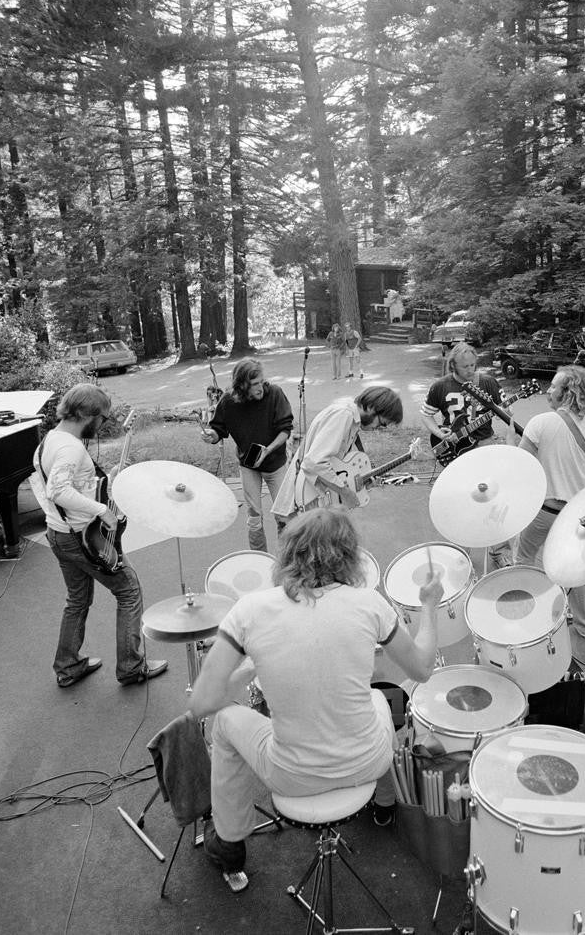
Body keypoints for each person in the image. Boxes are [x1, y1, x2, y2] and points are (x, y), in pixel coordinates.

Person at [186, 509, 444, 881]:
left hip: (291, 776)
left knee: (224, 722)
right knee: (378, 699)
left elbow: (201, 705)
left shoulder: (249, 611)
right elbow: (422, 669)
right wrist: (430, 605)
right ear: (350, 556)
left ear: (287, 554)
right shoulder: (369, 603)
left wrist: (251, 669)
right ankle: (385, 804)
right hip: (365, 763)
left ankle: (229, 846)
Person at [30, 383, 167, 688]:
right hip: (82, 539)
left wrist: (109, 479)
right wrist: (101, 510)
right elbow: (58, 490)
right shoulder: (71, 448)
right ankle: (131, 668)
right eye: (102, 418)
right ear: (86, 413)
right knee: (129, 590)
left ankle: (68, 667)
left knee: (77, 600)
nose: (103, 425)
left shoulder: (51, 439)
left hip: (58, 534)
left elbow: (69, 485)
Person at [510, 365, 585, 646]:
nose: (548, 390)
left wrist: (511, 442)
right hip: (580, 517)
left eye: (553, 386)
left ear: (567, 393)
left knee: (523, 559)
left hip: (545, 512)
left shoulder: (540, 423)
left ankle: (526, 616)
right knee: (580, 571)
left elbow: (521, 467)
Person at [421, 342, 514, 568]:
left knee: (491, 496)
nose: (470, 370)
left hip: (483, 444)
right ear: (453, 365)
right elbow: (426, 415)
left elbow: (507, 412)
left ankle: (499, 550)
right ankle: (461, 550)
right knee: (462, 499)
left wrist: (502, 408)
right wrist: (439, 433)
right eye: (464, 367)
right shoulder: (440, 387)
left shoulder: (488, 382)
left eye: (473, 365)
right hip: (455, 449)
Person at [202, 359, 293, 552]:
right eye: (254, 384)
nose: (260, 387)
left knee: (284, 515)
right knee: (254, 516)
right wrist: (212, 435)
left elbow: (285, 430)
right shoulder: (228, 402)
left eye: (261, 381)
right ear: (242, 386)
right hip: (249, 466)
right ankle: (259, 559)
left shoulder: (274, 394)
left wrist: (268, 449)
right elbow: (218, 429)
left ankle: (287, 559)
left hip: (275, 464)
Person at [271, 385, 404, 515]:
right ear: (371, 407)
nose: (378, 428)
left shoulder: (351, 420)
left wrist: (361, 484)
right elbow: (314, 462)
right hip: (308, 498)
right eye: (382, 423)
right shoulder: (343, 416)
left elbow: (338, 466)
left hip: (314, 495)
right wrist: (345, 493)